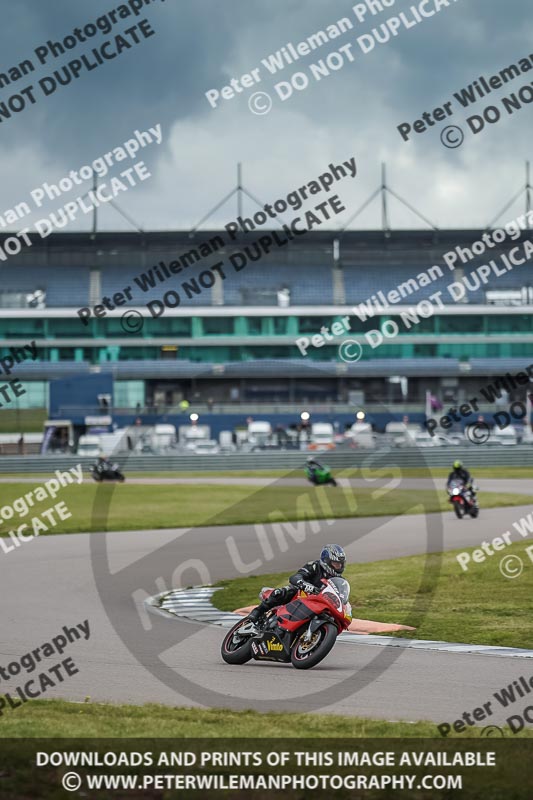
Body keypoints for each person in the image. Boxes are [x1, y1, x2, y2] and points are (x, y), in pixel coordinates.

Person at [246, 545, 347, 625]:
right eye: (336, 564)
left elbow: (341, 598)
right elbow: (295, 577)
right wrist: (306, 585)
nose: (339, 567)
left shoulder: (339, 581)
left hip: (316, 605)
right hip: (300, 595)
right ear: (326, 561)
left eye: (341, 564)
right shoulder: (315, 566)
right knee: (283, 592)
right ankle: (257, 612)